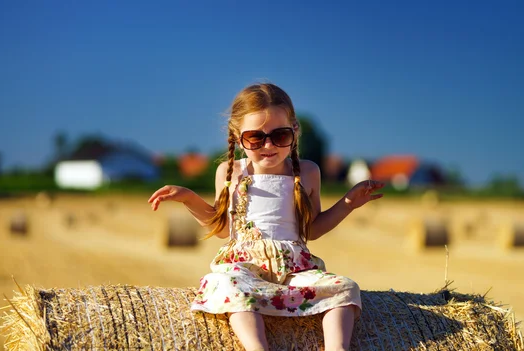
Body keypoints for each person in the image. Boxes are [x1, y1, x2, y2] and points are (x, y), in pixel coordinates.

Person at [148, 83, 384, 351]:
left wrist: (348, 203)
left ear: (294, 131)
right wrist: (188, 197)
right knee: (226, 284)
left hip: (295, 268)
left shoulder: (307, 172)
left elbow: (312, 229)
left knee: (345, 288)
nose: (268, 145)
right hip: (245, 266)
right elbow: (223, 227)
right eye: (255, 138)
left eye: (279, 135)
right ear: (238, 137)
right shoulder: (231, 172)